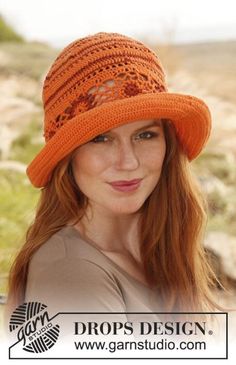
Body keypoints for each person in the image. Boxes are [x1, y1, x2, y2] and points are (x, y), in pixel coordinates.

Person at [5, 32, 224, 323]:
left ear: (167, 145)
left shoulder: (159, 253)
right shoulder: (72, 272)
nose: (128, 162)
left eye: (145, 135)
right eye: (100, 139)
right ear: (68, 156)